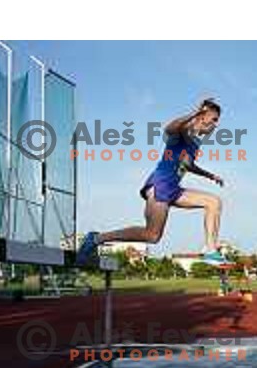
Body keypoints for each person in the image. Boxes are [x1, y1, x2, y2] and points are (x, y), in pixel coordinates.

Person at [77, 99, 228, 266]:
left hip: (173, 189)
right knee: (151, 235)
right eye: (214, 120)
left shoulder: (195, 143)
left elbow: (187, 164)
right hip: (160, 186)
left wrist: (210, 175)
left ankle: (210, 249)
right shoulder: (183, 133)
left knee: (214, 202)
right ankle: (96, 238)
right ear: (201, 117)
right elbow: (169, 128)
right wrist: (193, 113)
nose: (216, 125)